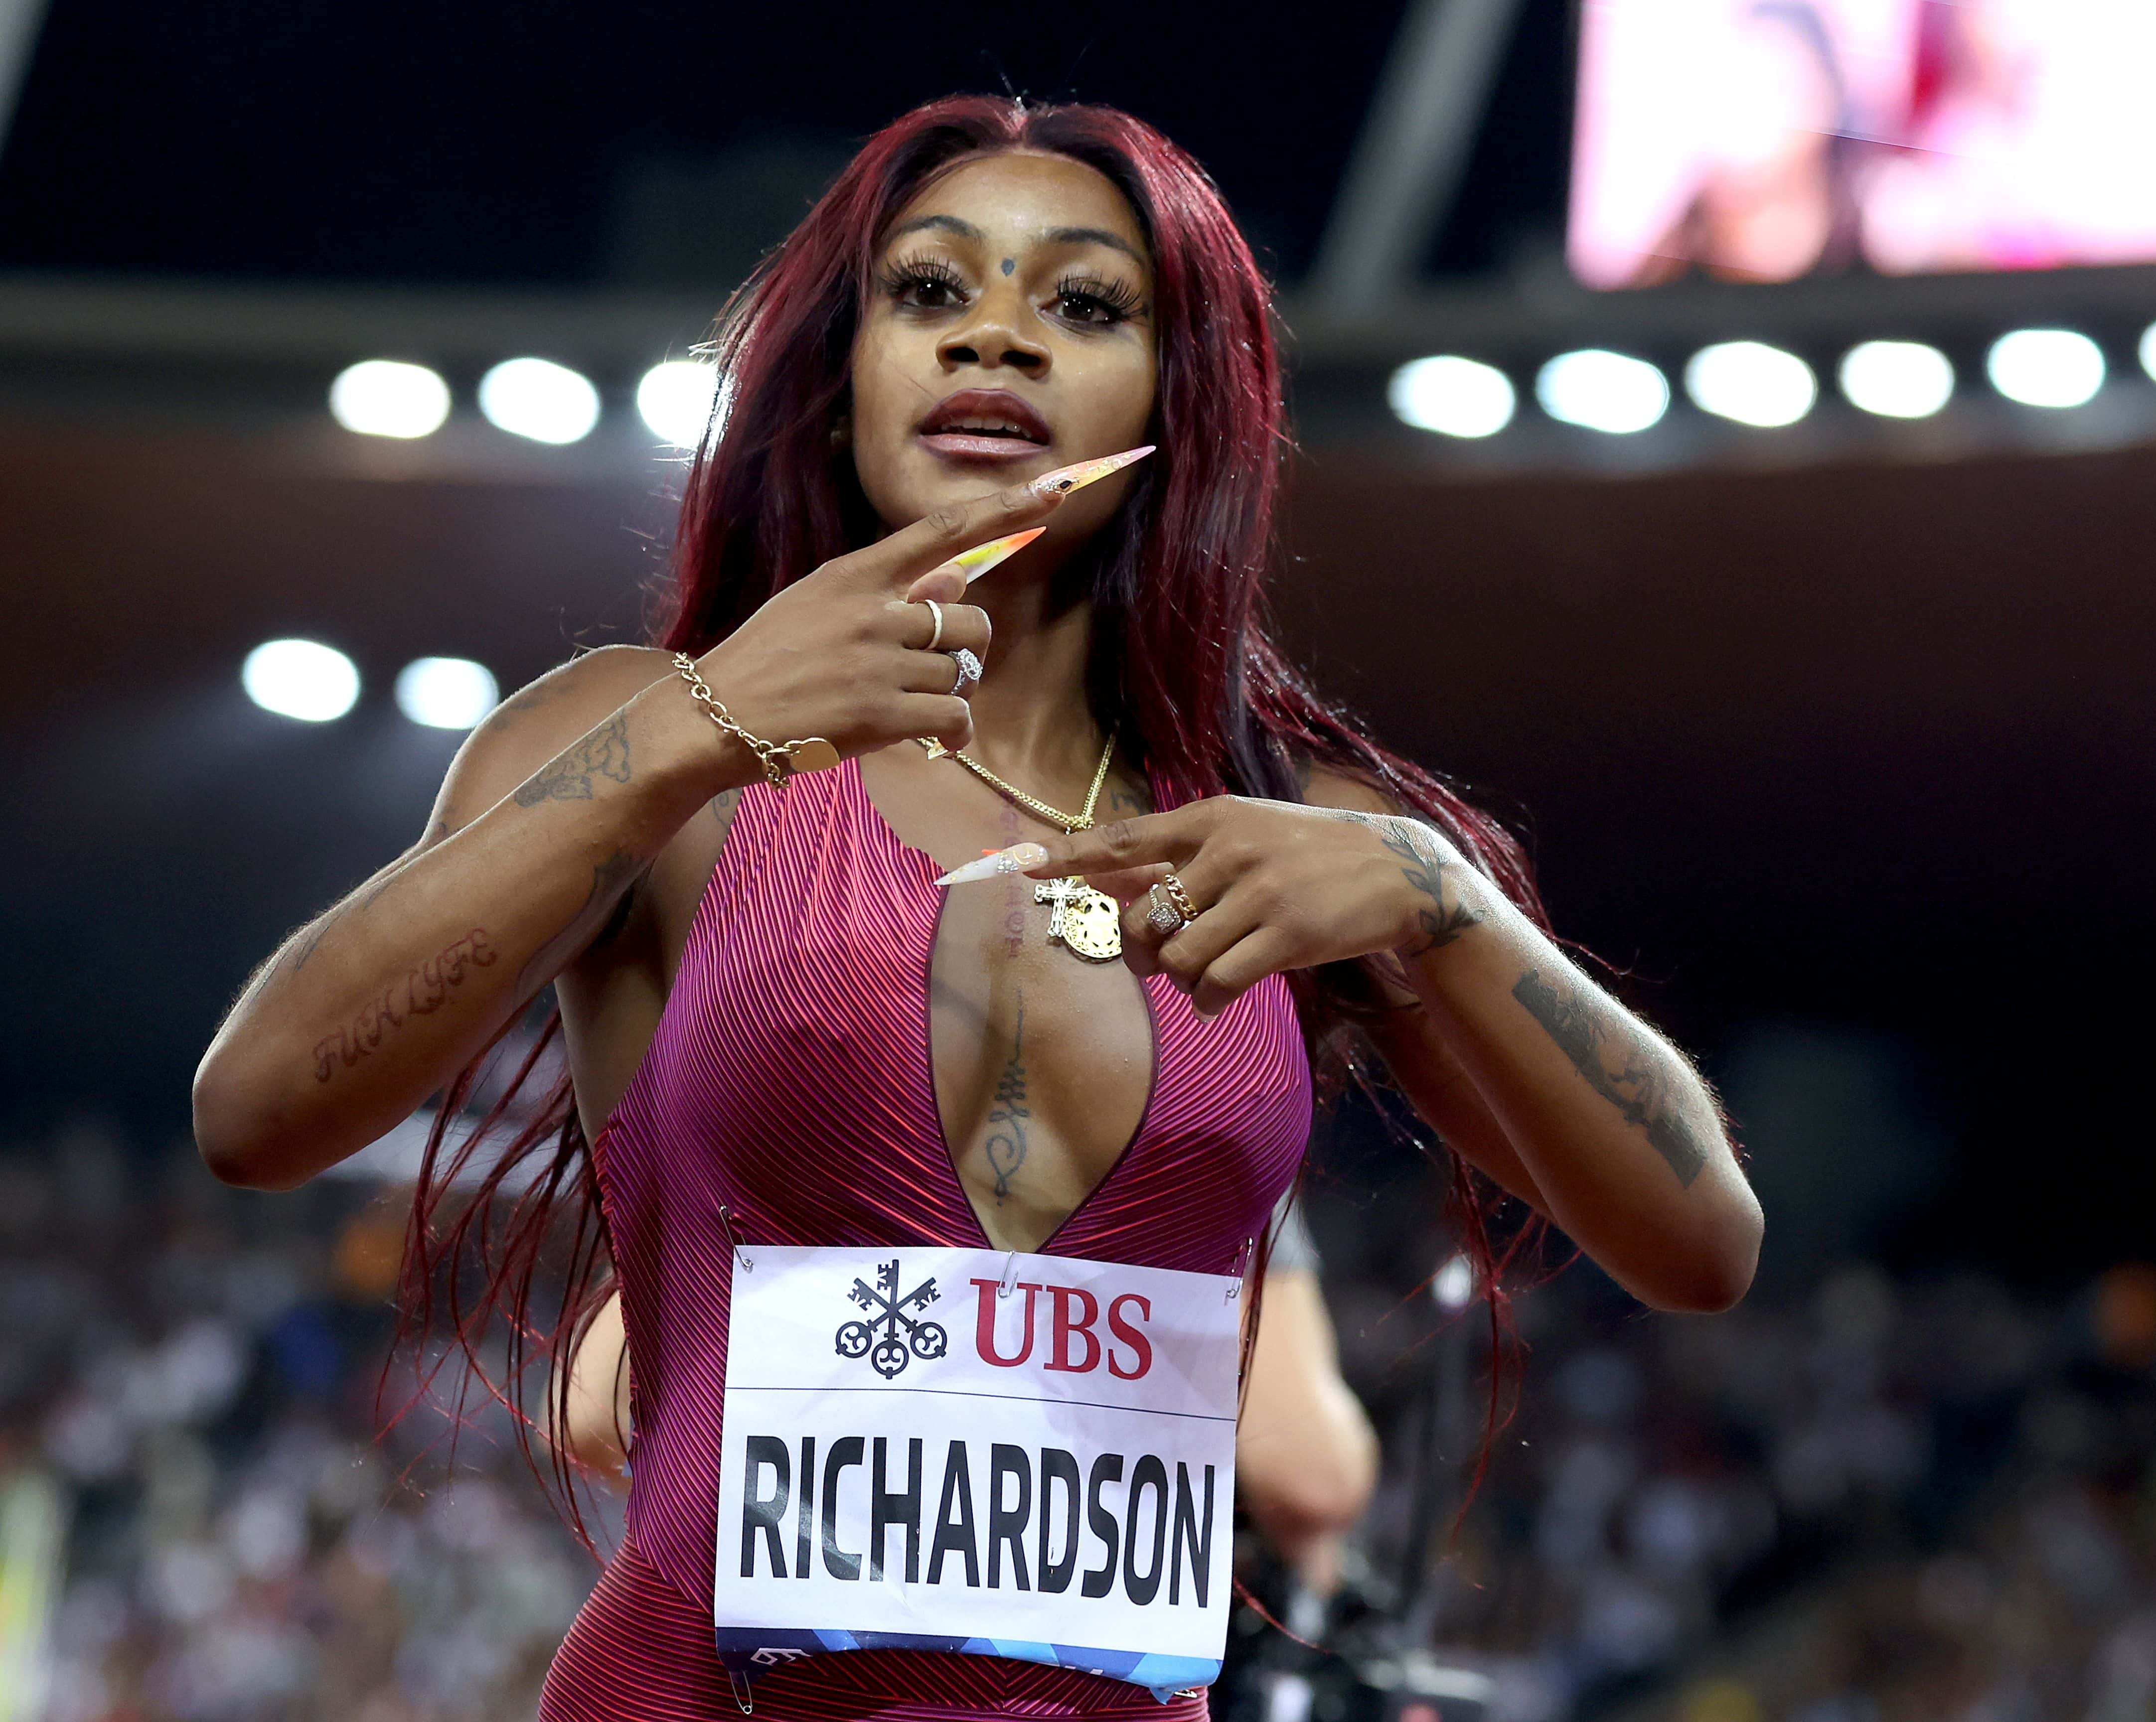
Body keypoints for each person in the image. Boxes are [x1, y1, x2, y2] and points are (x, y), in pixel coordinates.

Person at [191, 95, 1761, 1721]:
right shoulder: (654, 737)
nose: (995, 335)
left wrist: (1450, 908)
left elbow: (1702, 1239)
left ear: (1180, 390)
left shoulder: (1291, 833)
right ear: (842, 370)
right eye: (930, 292)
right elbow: (257, 1106)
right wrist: (690, 728)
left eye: (1081, 303)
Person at [556, 1197, 1379, 1597]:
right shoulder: (1199, 1092)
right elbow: (1310, 1476)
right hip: (1073, 1684)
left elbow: (598, 1412)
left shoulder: (785, 1064)